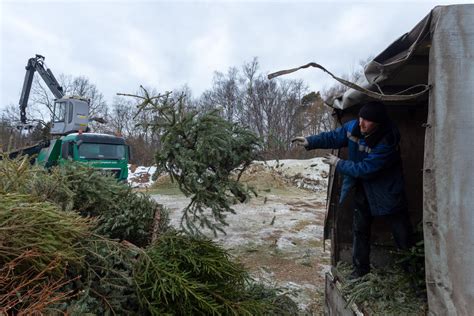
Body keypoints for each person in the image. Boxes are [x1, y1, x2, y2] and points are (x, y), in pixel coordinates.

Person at [292, 101, 413, 278]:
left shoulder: (388, 139)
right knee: (360, 229)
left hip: (386, 190)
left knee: (401, 233)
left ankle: (412, 275)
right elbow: (333, 137)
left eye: (367, 121)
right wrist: (310, 141)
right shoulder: (353, 127)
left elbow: (366, 168)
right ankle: (360, 270)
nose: (361, 123)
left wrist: (339, 163)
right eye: (360, 118)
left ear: (378, 123)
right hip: (363, 188)